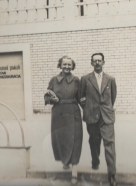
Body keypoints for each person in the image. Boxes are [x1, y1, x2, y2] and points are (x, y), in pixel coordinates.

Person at [79, 53, 117, 186]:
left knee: (109, 145)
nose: (97, 63)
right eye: (94, 61)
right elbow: (81, 97)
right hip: (92, 116)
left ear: (103, 62)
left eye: (99, 61)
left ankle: (112, 174)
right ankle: (95, 161)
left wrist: (107, 109)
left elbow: (113, 97)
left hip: (106, 117)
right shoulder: (85, 79)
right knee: (94, 141)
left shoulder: (110, 79)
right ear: (91, 63)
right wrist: (88, 108)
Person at [44, 55, 83, 185]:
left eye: (69, 64)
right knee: (61, 140)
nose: (67, 67)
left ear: (72, 66)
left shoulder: (77, 80)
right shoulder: (54, 80)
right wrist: (51, 99)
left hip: (73, 112)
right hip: (58, 113)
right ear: (60, 65)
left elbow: (81, 98)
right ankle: (65, 162)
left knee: (75, 141)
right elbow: (46, 97)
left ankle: (74, 172)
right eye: (64, 64)